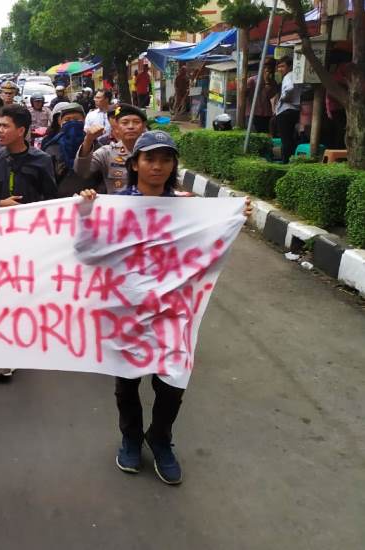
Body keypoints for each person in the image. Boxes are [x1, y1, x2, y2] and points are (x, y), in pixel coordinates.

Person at [79, 130, 253, 485]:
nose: (157, 166)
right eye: (149, 159)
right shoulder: (114, 206)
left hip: (174, 311)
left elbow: (209, 249)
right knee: (127, 381)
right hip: (125, 309)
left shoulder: (187, 208)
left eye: (165, 159)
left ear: (173, 165)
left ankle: (159, 437)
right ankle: (130, 436)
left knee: (173, 382)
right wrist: (86, 215)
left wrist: (233, 218)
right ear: (135, 164)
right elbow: (87, 252)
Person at [0, 103, 58, 381]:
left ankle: (22, 343)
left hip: (30, 244)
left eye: (4, 126)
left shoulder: (42, 161)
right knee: (0, 299)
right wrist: (0, 203)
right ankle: (4, 352)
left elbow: (51, 201)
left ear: (21, 131)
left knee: (24, 298)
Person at [75, 103, 146, 194]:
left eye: (136, 122)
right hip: (117, 206)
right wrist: (88, 140)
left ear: (144, 126)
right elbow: (82, 171)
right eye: (125, 123)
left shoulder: (155, 151)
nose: (131, 126)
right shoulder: (107, 152)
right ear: (116, 127)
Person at [41, 102, 103, 197]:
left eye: (76, 119)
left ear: (83, 121)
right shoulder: (52, 147)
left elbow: (103, 175)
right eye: (67, 120)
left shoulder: (95, 144)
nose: (72, 123)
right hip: (63, 201)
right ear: (60, 123)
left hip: (91, 198)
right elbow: (47, 180)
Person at [275, 56, 301, 163]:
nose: (280, 69)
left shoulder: (288, 76)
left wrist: (282, 99)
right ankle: (291, 160)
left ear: (290, 66)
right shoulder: (297, 76)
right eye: (279, 67)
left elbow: (289, 88)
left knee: (285, 139)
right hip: (295, 110)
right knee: (291, 138)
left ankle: (285, 161)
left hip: (285, 110)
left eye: (283, 66)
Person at [245, 59, 278, 135]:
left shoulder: (273, 82)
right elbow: (244, 94)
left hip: (266, 114)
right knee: (254, 135)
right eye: (265, 67)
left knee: (265, 134)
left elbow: (271, 96)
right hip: (253, 113)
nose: (267, 70)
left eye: (269, 68)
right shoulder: (252, 80)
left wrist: (267, 82)